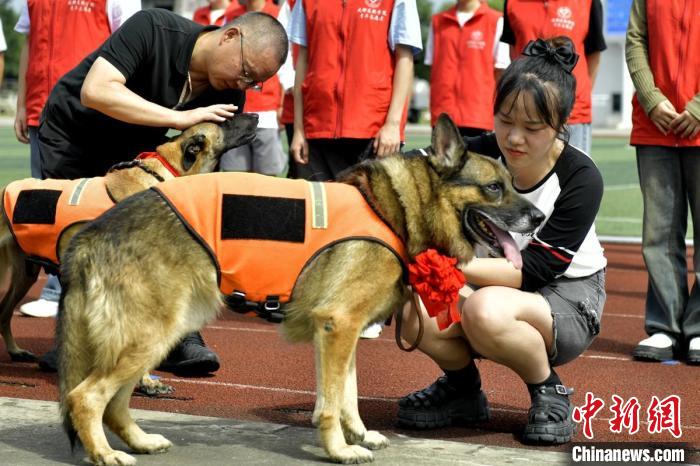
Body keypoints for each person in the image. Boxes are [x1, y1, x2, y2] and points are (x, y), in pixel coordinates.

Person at [36, 9, 289, 375]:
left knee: (170, 235)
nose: (245, 84)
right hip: (74, 137)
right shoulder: (152, 27)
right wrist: (178, 118)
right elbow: (96, 91)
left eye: (255, 83)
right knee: (78, 242)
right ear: (230, 36)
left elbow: (197, 173)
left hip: (133, 153)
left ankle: (180, 334)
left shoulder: (230, 94)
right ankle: (77, 342)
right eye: (246, 71)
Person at [397, 37, 607, 445]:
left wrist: (455, 266)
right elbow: (420, 162)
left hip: (567, 296)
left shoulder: (581, 178)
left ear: (560, 124)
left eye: (532, 128)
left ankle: (549, 390)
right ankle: (462, 391)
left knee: (484, 308)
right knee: (413, 304)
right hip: (493, 282)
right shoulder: (483, 154)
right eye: (505, 120)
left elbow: (538, 270)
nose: (513, 138)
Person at [288, 0, 422, 338]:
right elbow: (301, 59)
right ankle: (322, 301)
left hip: (373, 126)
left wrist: (393, 123)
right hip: (319, 125)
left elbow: (405, 59)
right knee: (322, 223)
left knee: (374, 222)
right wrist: (300, 127)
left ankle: (371, 308)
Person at [13, 0, 141, 320]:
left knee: (91, 205)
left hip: (87, 114)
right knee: (47, 206)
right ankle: (56, 287)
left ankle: (86, 289)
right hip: (41, 108)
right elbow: (30, 44)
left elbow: (133, 46)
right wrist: (21, 104)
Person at [626, 0, 700, 365]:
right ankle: (665, 326)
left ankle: (699, 326)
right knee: (658, 233)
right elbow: (635, 40)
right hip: (655, 125)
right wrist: (651, 98)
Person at [500, 0, 606, 156]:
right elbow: (514, 53)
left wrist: (576, 97)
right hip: (524, 113)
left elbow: (594, 55)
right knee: (526, 178)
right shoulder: (511, 2)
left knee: (572, 177)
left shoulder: (589, 3)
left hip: (572, 114)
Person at [220, 0, 292, 176]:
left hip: (266, 110)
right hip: (235, 112)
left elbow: (286, 64)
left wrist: (281, 105)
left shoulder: (278, 15)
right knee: (234, 175)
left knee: (267, 177)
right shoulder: (232, 14)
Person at [425, 0, 509, 136]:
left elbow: (501, 73)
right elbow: (433, 69)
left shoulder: (496, 21)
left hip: (479, 117)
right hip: (443, 115)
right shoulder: (437, 21)